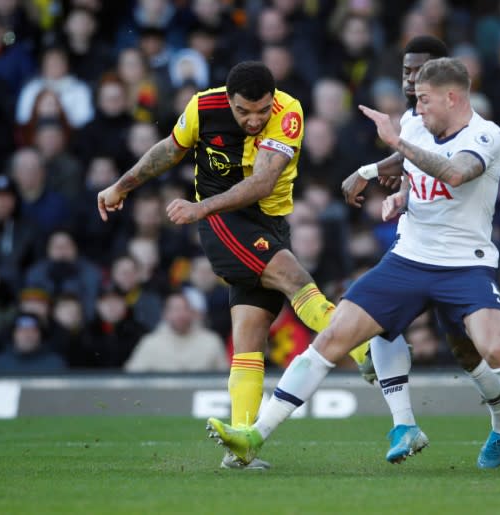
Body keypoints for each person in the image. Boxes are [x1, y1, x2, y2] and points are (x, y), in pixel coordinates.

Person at [207, 57, 500, 477]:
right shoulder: (417, 126)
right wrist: (379, 179)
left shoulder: (487, 136)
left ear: (451, 97)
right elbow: (410, 164)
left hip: (465, 265)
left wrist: (395, 142)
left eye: (424, 100)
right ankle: (255, 435)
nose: (417, 110)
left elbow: (455, 173)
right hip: (409, 259)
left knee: (492, 348)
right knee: (333, 337)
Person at [97, 61, 369, 470]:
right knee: (295, 279)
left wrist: (197, 207)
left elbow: (262, 183)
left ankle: (241, 446)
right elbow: (170, 150)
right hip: (224, 221)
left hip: (267, 223)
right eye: (245, 112)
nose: (255, 119)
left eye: (262, 110)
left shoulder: (288, 113)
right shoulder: (202, 109)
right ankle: (365, 348)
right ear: (228, 100)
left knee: (250, 335)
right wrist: (122, 185)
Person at [343, 35, 500, 470]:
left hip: (464, 253)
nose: (408, 79)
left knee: (468, 350)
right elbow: (414, 165)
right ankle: (402, 418)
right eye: (405, 72)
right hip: (415, 249)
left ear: (443, 81)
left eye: (417, 73)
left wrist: (378, 164)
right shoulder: (412, 120)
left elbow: (449, 166)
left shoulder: (475, 127)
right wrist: (400, 194)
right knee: (382, 324)